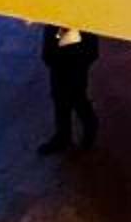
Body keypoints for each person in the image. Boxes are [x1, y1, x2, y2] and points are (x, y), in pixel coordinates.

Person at [39, 25, 100, 155]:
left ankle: (89, 126)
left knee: (76, 96)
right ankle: (63, 135)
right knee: (60, 97)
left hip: (76, 54)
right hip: (60, 53)